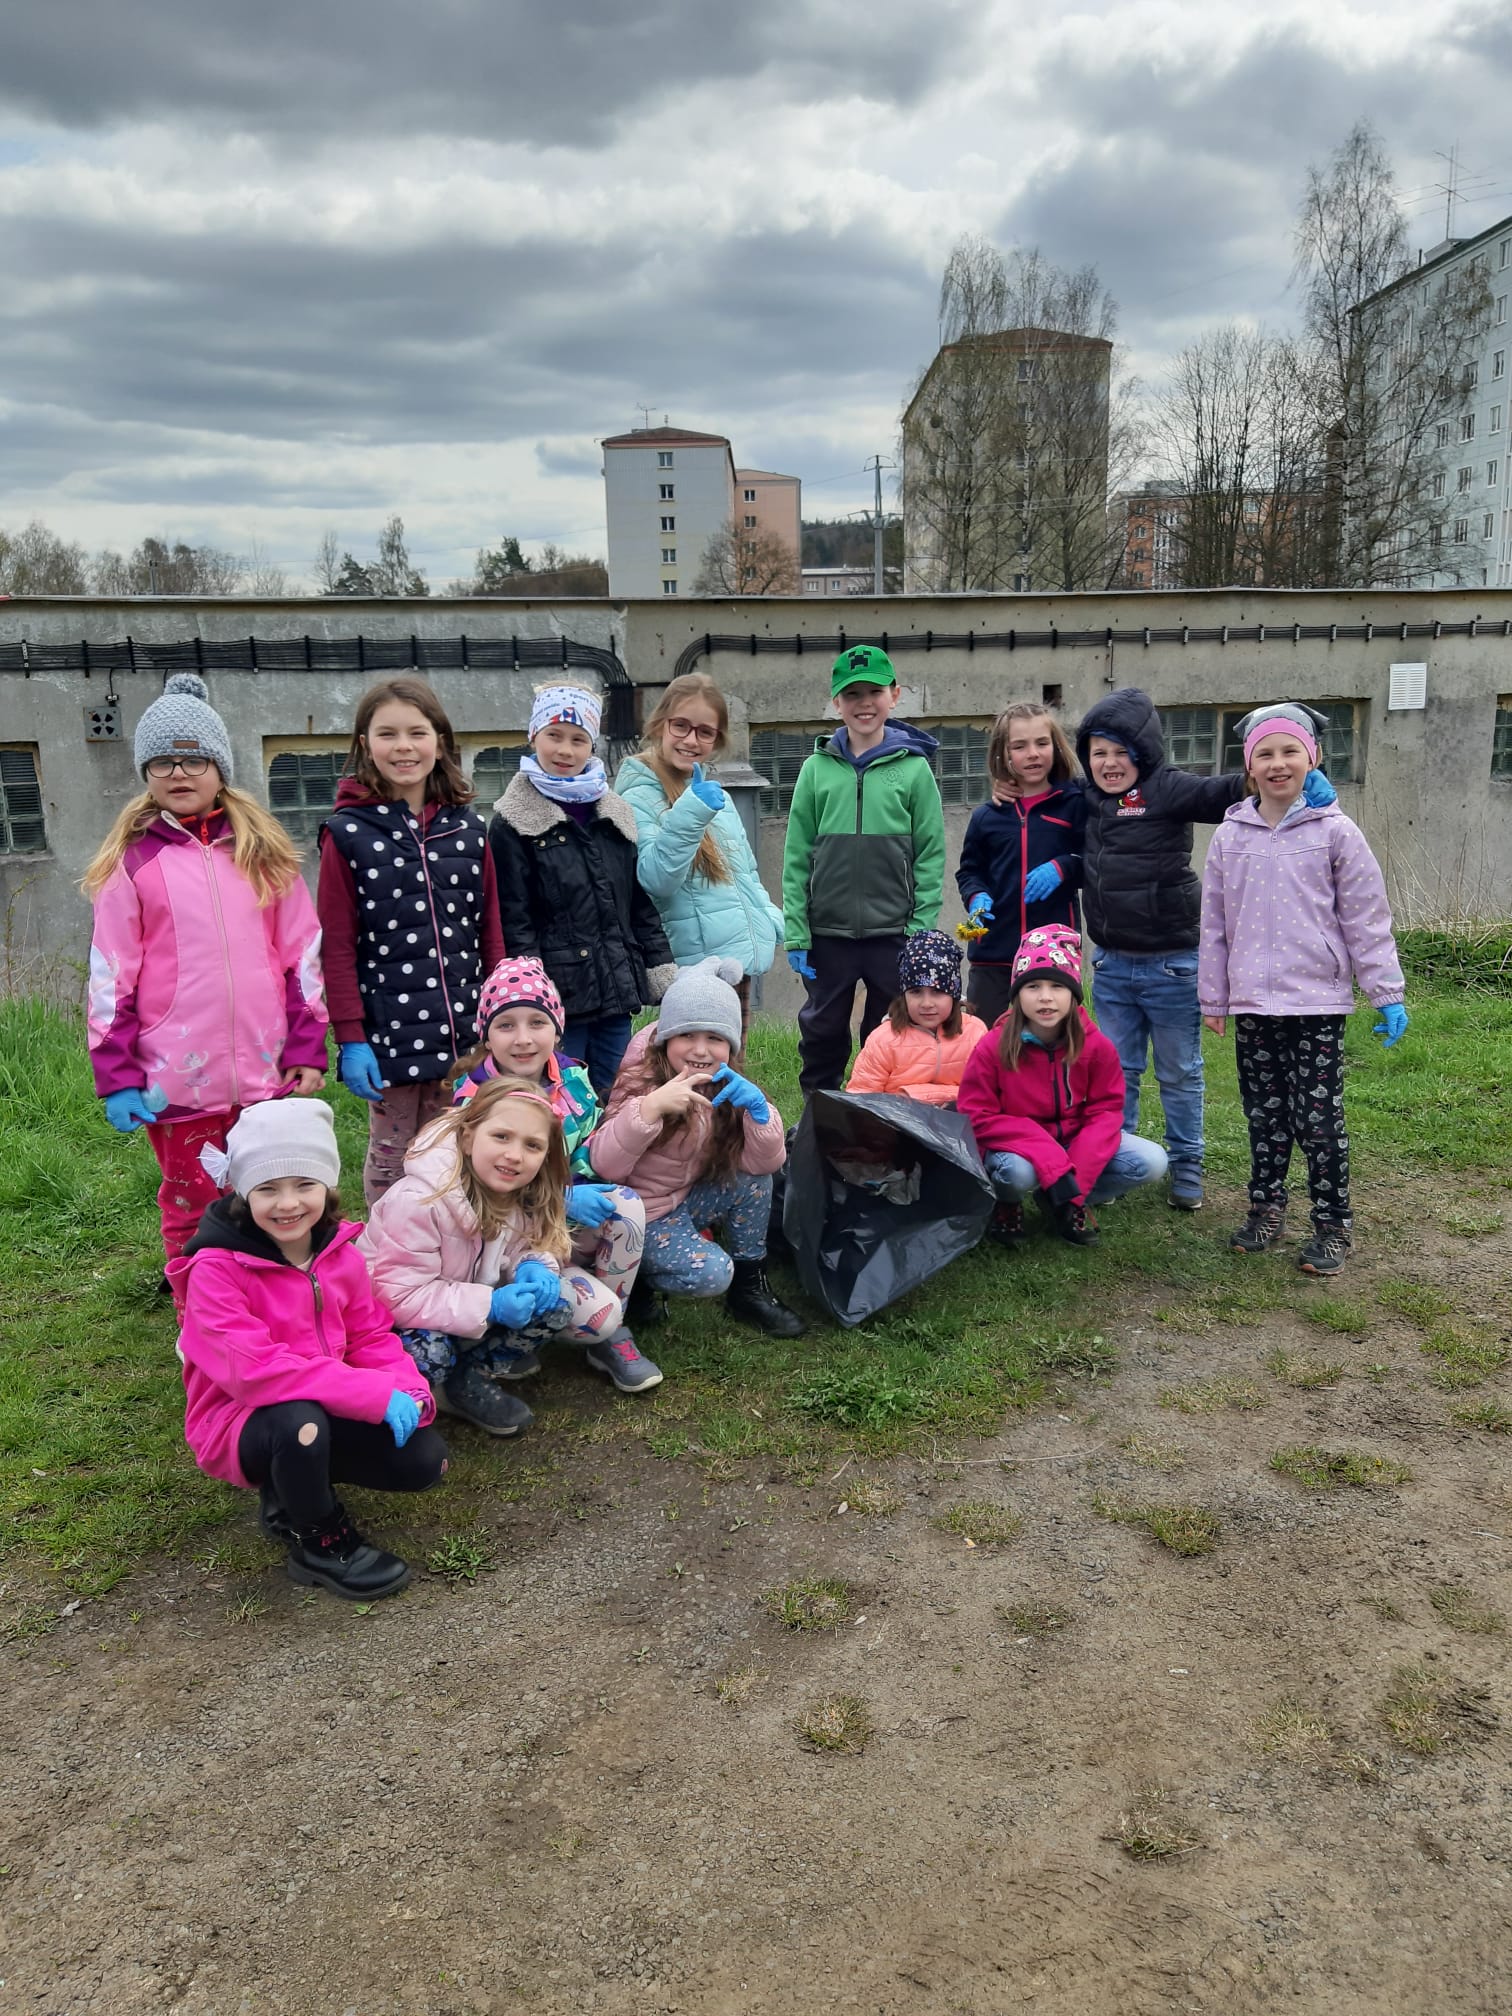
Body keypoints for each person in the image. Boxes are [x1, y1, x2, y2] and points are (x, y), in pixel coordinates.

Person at [85, 672, 328, 1275]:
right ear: (146, 772)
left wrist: (305, 1044)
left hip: (266, 1072)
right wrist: (117, 1076)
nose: (178, 773)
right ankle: (201, 1310)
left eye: (193, 760)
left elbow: (301, 955)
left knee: (271, 1196)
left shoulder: (262, 854)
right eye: (162, 762)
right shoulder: (132, 863)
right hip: (176, 1079)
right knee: (192, 1203)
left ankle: (270, 1296)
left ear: (219, 768)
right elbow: (111, 977)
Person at [170, 1101, 445, 1603]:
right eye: (267, 1188)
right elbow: (255, 1372)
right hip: (240, 1419)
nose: (288, 1203)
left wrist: (406, 1388)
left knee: (423, 1461)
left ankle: (290, 1485)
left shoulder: (341, 1255)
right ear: (243, 1191)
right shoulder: (215, 1269)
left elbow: (369, 1336)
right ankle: (321, 1543)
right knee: (297, 1422)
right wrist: (367, 1394)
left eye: (304, 1184)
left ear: (328, 1186)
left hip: (326, 1400)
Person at [1074, 686, 1335, 1213]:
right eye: (1098, 752)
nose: (1110, 763)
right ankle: (1116, 1160)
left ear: (1145, 753)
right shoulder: (1086, 797)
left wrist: (1291, 778)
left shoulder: (1168, 788)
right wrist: (1009, 787)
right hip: (1110, 965)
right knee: (1116, 1072)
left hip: (1172, 964)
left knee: (1179, 1072)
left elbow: (1225, 791)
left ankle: (1187, 1163)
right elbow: (1038, 786)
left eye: (1122, 751)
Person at [1200, 703, 1408, 1276]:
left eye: (1290, 751)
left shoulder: (1336, 832)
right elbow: (1214, 924)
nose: (1278, 763)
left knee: (1318, 1121)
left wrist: (1385, 991)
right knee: (1264, 1117)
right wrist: (1214, 998)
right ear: (1249, 766)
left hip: (1316, 1003)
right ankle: (1266, 1210)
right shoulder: (1229, 836)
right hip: (1253, 1006)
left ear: (1312, 757)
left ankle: (1333, 1224)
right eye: (1264, 753)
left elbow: (1366, 917)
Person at [362, 1074, 659, 1438]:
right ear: (468, 1138)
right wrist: (491, 1305)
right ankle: (423, 1390)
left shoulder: (519, 1187)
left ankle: (470, 1378)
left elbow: (531, 1243)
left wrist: (535, 1264)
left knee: (556, 1301)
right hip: (398, 1322)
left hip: (468, 1304)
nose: (515, 1155)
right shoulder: (419, 1202)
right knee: (429, 1354)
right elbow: (397, 1296)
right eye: (501, 1136)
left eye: (532, 1145)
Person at [317, 675, 503, 1203]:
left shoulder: (469, 830)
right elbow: (336, 946)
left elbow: (490, 931)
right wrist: (351, 1038)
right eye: (388, 734)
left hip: (467, 1032)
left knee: (462, 1151)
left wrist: (500, 1016)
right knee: (394, 1157)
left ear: (439, 742)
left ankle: (457, 1244)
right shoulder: (346, 834)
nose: (403, 747)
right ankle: (387, 1247)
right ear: (365, 745)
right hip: (388, 1035)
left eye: (417, 733)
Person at [590, 957, 804, 1335]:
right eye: (687, 1035)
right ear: (666, 1039)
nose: (701, 1050)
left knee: (754, 1182)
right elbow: (604, 1165)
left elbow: (763, 1165)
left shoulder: (725, 1084)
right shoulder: (642, 1082)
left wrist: (759, 1115)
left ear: (730, 1045)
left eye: (715, 1038)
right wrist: (648, 1110)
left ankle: (750, 1288)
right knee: (711, 1273)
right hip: (640, 1218)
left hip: (686, 1198)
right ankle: (636, 1279)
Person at [449, 953, 649, 1354]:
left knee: (625, 1205)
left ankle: (611, 1332)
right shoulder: (472, 1099)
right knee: (592, 1313)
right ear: (486, 1037)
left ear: (557, 1031)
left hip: (559, 1225)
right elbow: (472, 1189)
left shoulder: (572, 1076)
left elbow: (589, 1141)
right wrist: (556, 1198)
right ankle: (504, 1336)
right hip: (504, 1242)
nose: (523, 1039)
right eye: (506, 1025)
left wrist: (580, 1186)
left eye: (537, 1022)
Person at [489, 684, 675, 1096]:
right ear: (533, 736)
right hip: (557, 999)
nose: (565, 750)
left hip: (616, 990)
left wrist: (660, 967)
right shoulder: (512, 823)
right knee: (559, 1097)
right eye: (553, 735)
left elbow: (637, 903)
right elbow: (515, 919)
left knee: (618, 1093)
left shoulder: (614, 813)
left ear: (592, 745)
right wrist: (531, 994)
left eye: (578, 739)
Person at [782, 645, 946, 1095]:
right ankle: (819, 1114)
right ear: (837, 702)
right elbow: (796, 855)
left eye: (874, 691)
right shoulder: (816, 770)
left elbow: (930, 853)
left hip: (893, 933)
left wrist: (920, 927)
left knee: (888, 1034)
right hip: (827, 933)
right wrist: (797, 931)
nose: (864, 703)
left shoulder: (914, 770)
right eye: (852, 694)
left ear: (894, 695)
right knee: (822, 1033)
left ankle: (880, 1119)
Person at [957, 925, 1168, 1250]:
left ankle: (1061, 1201)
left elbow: (1106, 1111)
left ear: (1073, 994)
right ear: (1017, 994)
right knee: (1017, 1174)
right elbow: (976, 1115)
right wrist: (1050, 1159)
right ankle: (1007, 1204)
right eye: (1033, 986)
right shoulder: (993, 1047)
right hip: (1017, 1147)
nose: (1045, 997)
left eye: (1057, 986)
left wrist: (1075, 1183)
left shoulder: (1096, 1046)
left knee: (1152, 1161)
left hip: (1074, 1139)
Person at [615, 672, 785, 1038]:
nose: (691, 740)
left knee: (729, 1065)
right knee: (692, 1066)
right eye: (681, 726)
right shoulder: (637, 796)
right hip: (691, 972)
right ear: (660, 724)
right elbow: (655, 880)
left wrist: (770, 921)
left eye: (705, 732)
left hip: (735, 963)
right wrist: (691, 811)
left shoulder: (714, 795)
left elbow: (745, 873)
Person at [957, 702, 1086, 1028]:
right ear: (1003, 753)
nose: (1033, 754)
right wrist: (975, 896)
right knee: (986, 1040)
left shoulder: (1076, 804)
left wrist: (1064, 867)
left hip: (1053, 951)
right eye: (1020, 746)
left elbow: (1095, 861)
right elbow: (970, 871)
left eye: (1042, 743)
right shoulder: (986, 817)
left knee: (1053, 1043)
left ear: (1056, 746)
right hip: (992, 955)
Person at [845, 929, 989, 1106]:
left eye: (937, 992)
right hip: (895, 1119)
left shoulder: (975, 1033)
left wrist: (942, 1101)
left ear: (954, 994)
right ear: (903, 995)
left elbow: (987, 1092)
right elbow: (861, 1100)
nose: (926, 1003)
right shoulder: (883, 1040)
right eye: (916, 992)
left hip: (959, 1118)